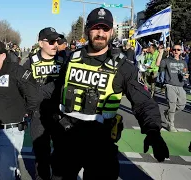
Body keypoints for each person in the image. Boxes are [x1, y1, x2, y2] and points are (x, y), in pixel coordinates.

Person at [41, 8, 169, 179]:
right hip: (66, 140)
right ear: (87, 30)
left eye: (105, 29)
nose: (100, 33)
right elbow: (53, 92)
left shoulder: (123, 67)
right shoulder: (71, 59)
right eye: (95, 28)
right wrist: (49, 121)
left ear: (112, 32)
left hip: (101, 144)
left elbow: (143, 102)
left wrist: (153, 131)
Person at [0, 40, 40, 180]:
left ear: (3, 56)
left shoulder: (17, 71)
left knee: (6, 174)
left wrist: (27, 111)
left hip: (11, 131)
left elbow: (34, 95)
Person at [23, 27, 66, 180]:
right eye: (51, 41)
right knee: (41, 158)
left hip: (60, 115)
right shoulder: (30, 63)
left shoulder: (64, 62)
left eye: (57, 41)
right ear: (41, 43)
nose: (56, 44)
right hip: (38, 116)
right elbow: (23, 88)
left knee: (61, 157)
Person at [159, 44, 189, 132]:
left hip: (180, 86)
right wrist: (161, 53)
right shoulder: (167, 60)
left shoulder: (184, 62)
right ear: (172, 51)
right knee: (172, 106)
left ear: (181, 51)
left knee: (181, 106)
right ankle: (170, 125)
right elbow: (158, 64)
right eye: (174, 50)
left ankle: (167, 113)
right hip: (170, 85)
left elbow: (185, 72)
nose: (176, 51)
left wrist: (186, 76)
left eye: (178, 50)